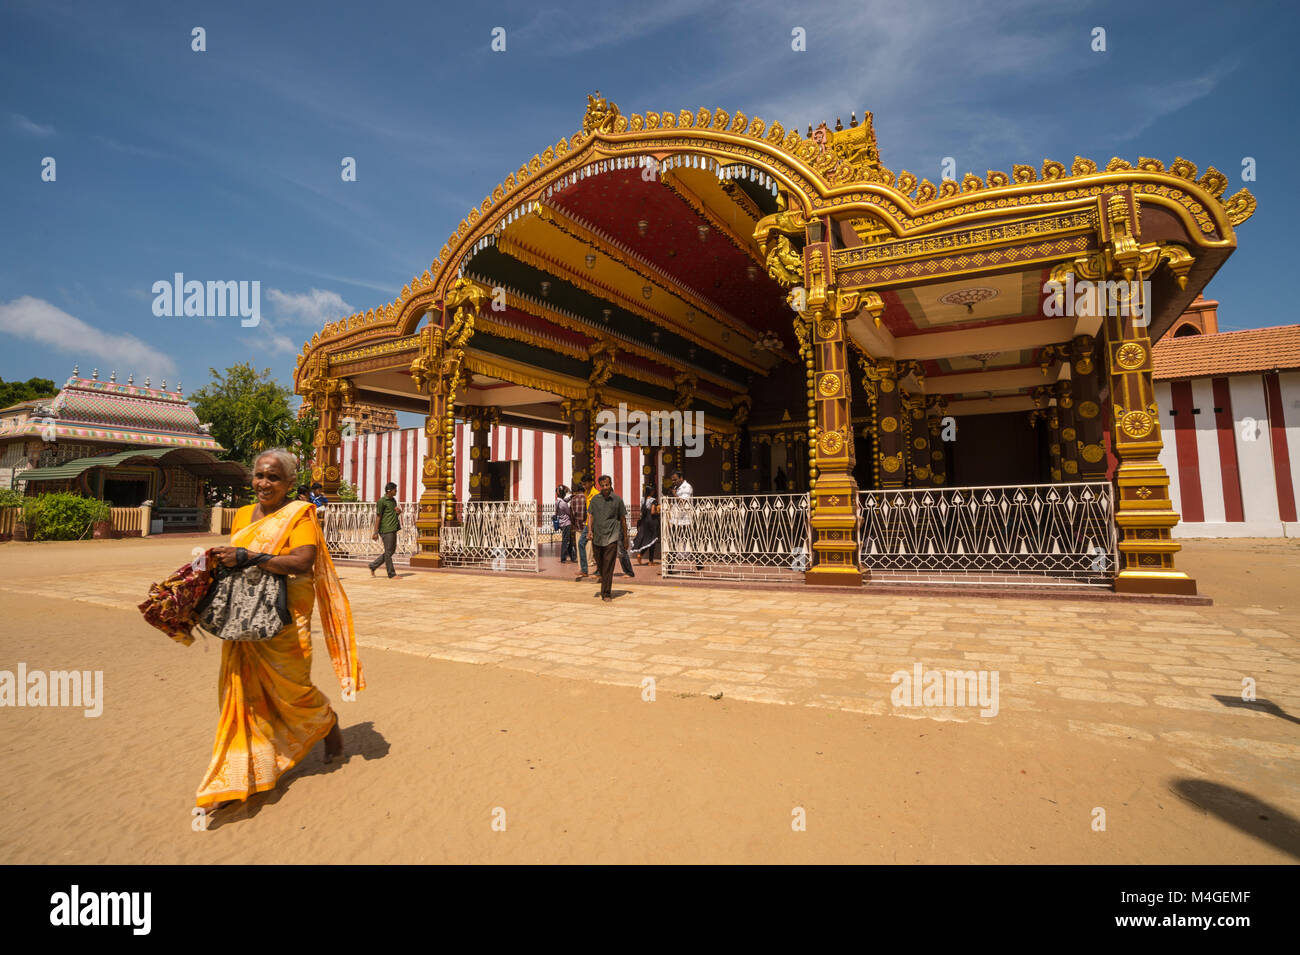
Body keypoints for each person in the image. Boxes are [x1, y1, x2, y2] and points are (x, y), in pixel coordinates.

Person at [197, 448, 364, 817]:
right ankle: (239, 775)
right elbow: (234, 557)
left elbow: (303, 561)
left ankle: (327, 721)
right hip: (244, 616)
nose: (264, 483)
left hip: (285, 615)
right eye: (259, 475)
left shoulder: (299, 515)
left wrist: (250, 558)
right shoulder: (242, 514)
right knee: (241, 696)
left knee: (293, 688)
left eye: (273, 477)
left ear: (289, 483)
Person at [588, 474, 629, 602]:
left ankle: (606, 593)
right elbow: (590, 516)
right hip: (597, 537)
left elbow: (623, 520)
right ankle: (603, 584)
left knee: (608, 566)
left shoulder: (617, 500)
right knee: (600, 565)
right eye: (603, 485)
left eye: (607, 485)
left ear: (611, 485)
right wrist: (589, 531)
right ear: (600, 486)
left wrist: (626, 537)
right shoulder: (595, 500)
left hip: (612, 536)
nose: (605, 487)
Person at [667, 468, 701, 574]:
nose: (673, 482)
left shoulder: (687, 487)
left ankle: (699, 563)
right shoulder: (677, 487)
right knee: (673, 542)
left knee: (692, 541)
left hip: (686, 519)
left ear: (681, 478)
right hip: (676, 519)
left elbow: (683, 503)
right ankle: (669, 566)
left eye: (675, 479)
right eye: (672, 480)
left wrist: (674, 494)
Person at [369, 482, 400, 579]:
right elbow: (378, 517)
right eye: (395, 490)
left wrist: (398, 512)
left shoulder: (393, 500)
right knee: (388, 551)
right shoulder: (381, 501)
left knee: (391, 551)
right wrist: (375, 532)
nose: (396, 491)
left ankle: (373, 565)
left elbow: (392, 513)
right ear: (389, 491)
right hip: (386, 529)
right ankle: (391, 574)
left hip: (393, 528)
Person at [630, 484, 660, 564]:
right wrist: (659, 512)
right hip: (652, 521)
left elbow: (642, 511)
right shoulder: (653, 500)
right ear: (651, 492)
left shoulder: (643, 499)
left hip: (645, 520)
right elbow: (653, 511)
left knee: (647, 539)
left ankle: (640, 554)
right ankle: (650, 561)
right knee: (652, 540)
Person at [569, 477, 590, 580]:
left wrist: (574, 524)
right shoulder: (586, 498)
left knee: (579, 547)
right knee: (588, 547)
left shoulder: (573, 500)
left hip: (578, 526)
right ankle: (589, 564)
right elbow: (588, 512)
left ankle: (581, 566)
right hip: (587, 526)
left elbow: (571, 514)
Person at [556, 485, 576, 563]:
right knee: (566, 541)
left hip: (562, 523)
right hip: (566, 524)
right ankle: (563, 558)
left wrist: (571, 497)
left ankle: (573, 557)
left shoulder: (558, 501)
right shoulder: (563, 504)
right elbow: (569, 512)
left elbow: (564, 500)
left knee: (569, 541)